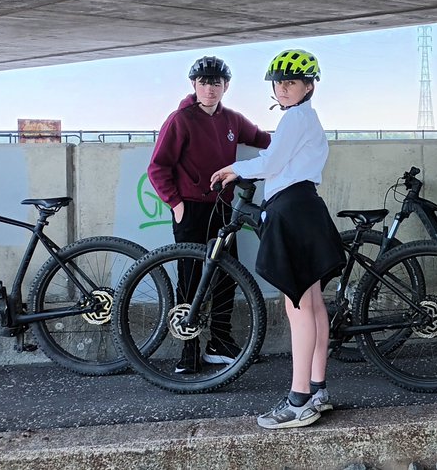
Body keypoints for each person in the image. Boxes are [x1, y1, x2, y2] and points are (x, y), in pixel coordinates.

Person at [211, 49, 347, 429]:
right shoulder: (307, 117)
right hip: (306, 208)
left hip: (292, 212)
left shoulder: (296, 118)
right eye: (279, 83)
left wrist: (233, 168)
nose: (283, 88)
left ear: (309, 86)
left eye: (291, 82)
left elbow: (271, 164)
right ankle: (317, 389)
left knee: (298, 308)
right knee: (314, 304)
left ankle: (298, 399)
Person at [147, 56, 271, 374]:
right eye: (203, 82)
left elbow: (263, 139)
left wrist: (296, 141)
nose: (209, 88)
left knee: (227, 276)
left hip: (223, 208)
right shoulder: (180, 119)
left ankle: (220, 344)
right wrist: (175, 204)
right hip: (190, 208)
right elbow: (158, 166)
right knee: (189, 280)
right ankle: (189, 350)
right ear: (194, 85)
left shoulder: (232, 119)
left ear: (226, 86)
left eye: (216, 82)